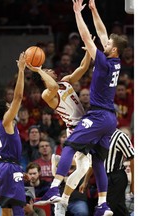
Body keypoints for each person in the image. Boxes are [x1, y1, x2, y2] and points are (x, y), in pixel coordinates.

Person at [34, 0, 128, 216]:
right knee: (96, 162)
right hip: (106, 119)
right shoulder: (115, 61)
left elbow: (88, 36)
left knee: (69, 146)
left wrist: (78, 13)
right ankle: (102, 205)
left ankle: (54, 189)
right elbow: (102, 32)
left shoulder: (104, 62)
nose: (104, 43)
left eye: (107, 44)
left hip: (96, 116)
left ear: (113, 49)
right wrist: (94, 10)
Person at [26, 40, 93, 216]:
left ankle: (62, 199)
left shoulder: (65, 81)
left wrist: (88, 50)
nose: (51, 70)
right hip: (75, 128)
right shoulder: (47, 94)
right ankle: (62, 198)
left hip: (83, 127)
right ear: (43, 78)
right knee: (85, 166)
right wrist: (38, 69)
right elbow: (53, 86)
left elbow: (82, 68)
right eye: (47, 71)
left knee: (84, 167)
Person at [0, 52, 26, 216]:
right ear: (6, 111)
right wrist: (21, 70)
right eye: (8, 106)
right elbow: (18, 97)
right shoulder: (6, 121)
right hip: (9, 167)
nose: (12, 108)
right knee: (17, 208)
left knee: (5, 209)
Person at [79, 128, 135, 216]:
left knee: (104, 209)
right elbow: (94, 161)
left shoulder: (120, 136)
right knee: (118, 209)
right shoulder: (96, 136)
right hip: (102, 177)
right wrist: (85, 181)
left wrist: (133, 184)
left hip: (116, 177)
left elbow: (132, 157)